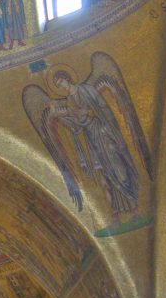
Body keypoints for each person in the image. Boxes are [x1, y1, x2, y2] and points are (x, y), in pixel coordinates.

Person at [52, 68, 140, 221]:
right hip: (92, 140)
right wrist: (61, 116)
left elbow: (103, 108)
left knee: (119, 170)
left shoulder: (87, 90)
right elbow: (76, 127)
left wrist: (91, 113)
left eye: (61, 82)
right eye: (58, 85)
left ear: (67, 78)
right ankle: (115, 217)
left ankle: (135, 210)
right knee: (103, 177)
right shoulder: (69, 101)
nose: (61, 86)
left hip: (104, 135)